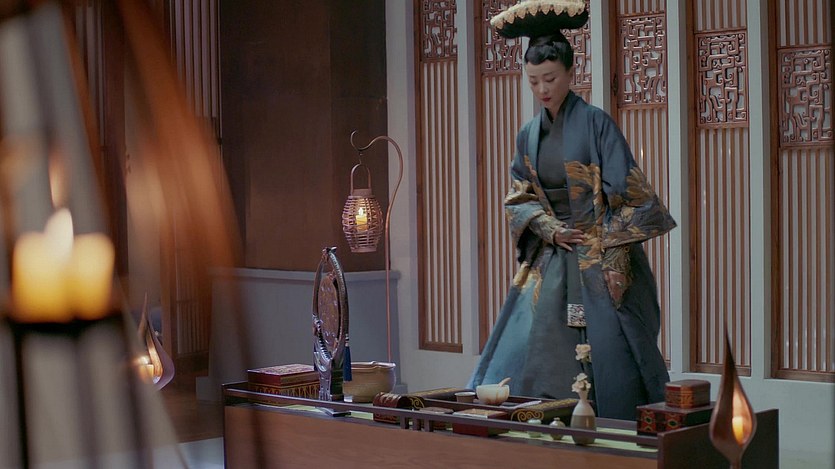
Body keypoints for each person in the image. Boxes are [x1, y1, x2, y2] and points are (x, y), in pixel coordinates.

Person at [468, 15, 676, 420]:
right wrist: (549, 228)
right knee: (536, 345)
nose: (542, 89)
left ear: (570, 72)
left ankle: (613, 426)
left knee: (612, 350)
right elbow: (518, 197)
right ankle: (545, 425)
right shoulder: (528, 134)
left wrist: (607, 252)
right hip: (554, 252)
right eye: (533, 81)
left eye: (550, 78)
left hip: (601, 254)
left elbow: (634, 196)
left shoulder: (597, 123)